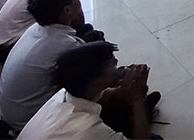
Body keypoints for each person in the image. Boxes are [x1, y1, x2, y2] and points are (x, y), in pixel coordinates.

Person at [18, 42, 156, 139]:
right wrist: (137, 99)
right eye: (111, 65)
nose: (116, 64)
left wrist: (130, 90)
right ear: (95, 81)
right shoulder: (88, 129)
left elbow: (109, 95)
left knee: (118, 110)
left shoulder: (66, 93)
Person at [0, 0, 86, 132]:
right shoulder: (64, 44)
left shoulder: (36, 28)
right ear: (67, 10)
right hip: (28, 122)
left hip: (10, 113)